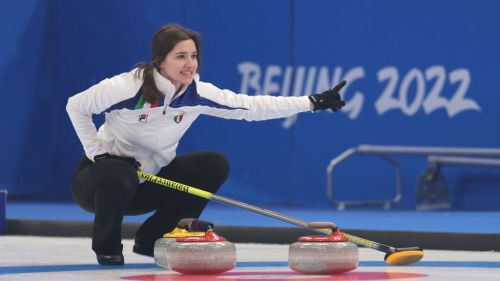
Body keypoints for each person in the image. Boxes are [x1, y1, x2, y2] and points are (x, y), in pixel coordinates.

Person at [66, 23, 346, 266]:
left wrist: (311, 102)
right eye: (180, 56)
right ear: (160, 60)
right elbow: (76, 106)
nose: (190, 64)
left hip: (148, 183)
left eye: (194, 56)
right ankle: (107, 248)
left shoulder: (196, 93)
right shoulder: (128, 87)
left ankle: (154, 238)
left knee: (213, 164)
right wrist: (98, 154)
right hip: (100, 185)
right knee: (119, 172)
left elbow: (251, 107)